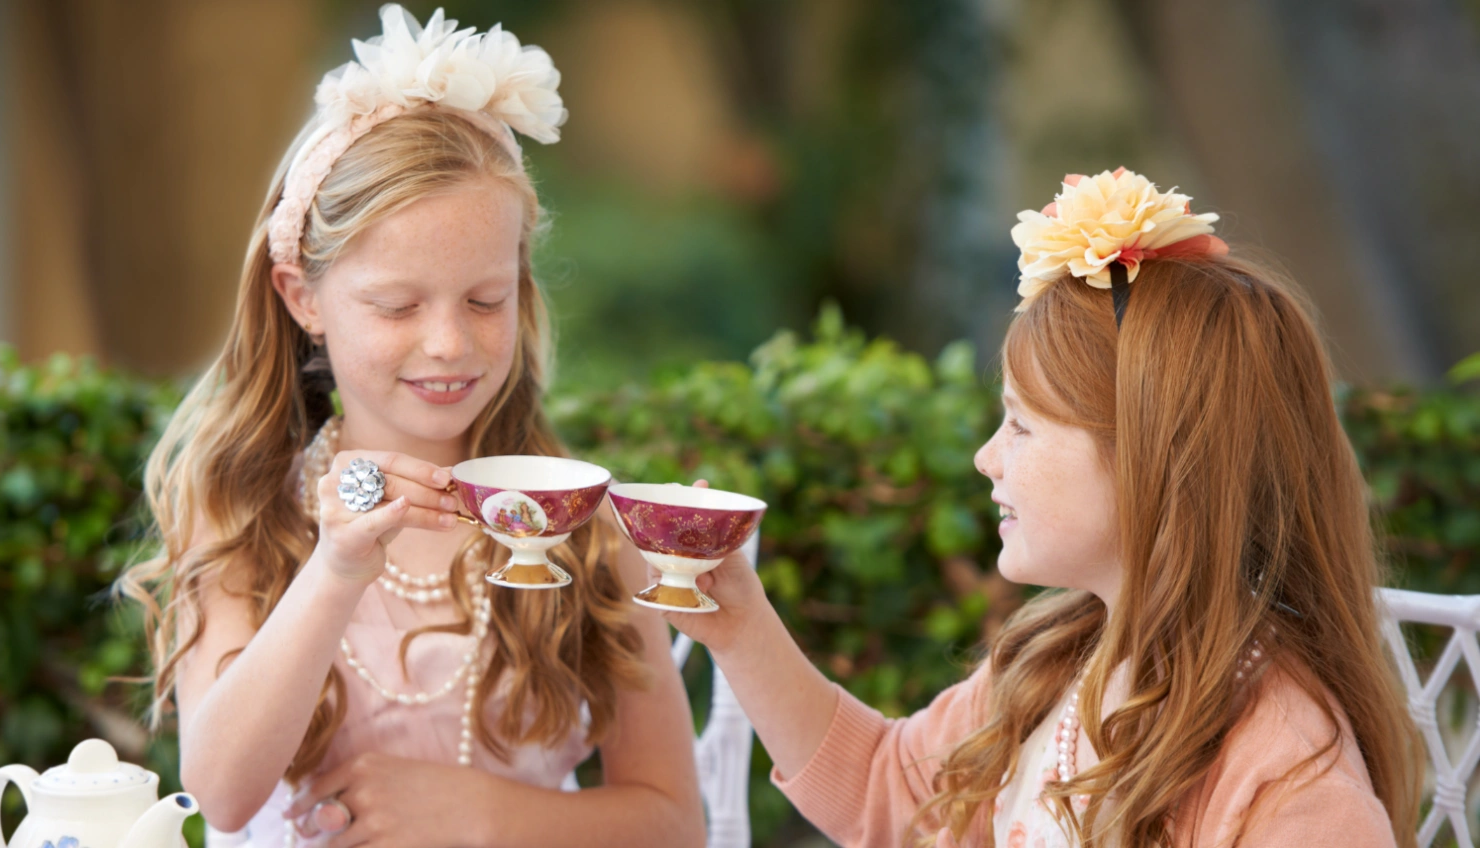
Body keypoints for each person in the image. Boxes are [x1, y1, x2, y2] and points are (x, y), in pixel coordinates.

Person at [667, 168, 1422, 847]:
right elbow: (885, 792)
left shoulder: (1289, 774)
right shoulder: (1055, 665)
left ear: (1151, 460)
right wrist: (739, 626)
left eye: (1022, 425)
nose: (985, 457)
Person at [117, 7, 703, 848]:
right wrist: (336, 568)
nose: (448, 344)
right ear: (302, 297)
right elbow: (221, 792)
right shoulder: (245, 506)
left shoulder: (583, 530)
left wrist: (481, 814)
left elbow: (674, 822)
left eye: (484, 300)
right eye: (396, 305)